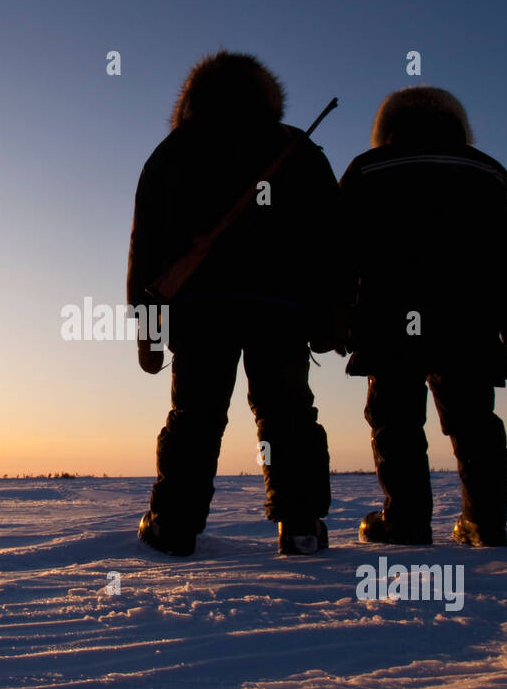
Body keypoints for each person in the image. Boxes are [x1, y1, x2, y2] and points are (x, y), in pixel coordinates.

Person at [127, 51, 349, 557]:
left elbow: (147, 250)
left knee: (195, 415)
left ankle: (174, 526)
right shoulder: (299, 149)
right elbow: (335, 243)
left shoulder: (173, 151)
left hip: (201, 310)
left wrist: (149, 329)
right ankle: (301, 527)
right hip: (283, 310)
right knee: (288, 414)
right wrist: (335, 312)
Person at [338, 86, 507, 547]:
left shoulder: (367, 169)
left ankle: (406, 521)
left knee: (395, 420)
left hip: (388, 318)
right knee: (474, 421)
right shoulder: (490, 171)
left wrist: (342, 311)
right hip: (468, 320)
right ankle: (485, 522)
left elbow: (338, 249)